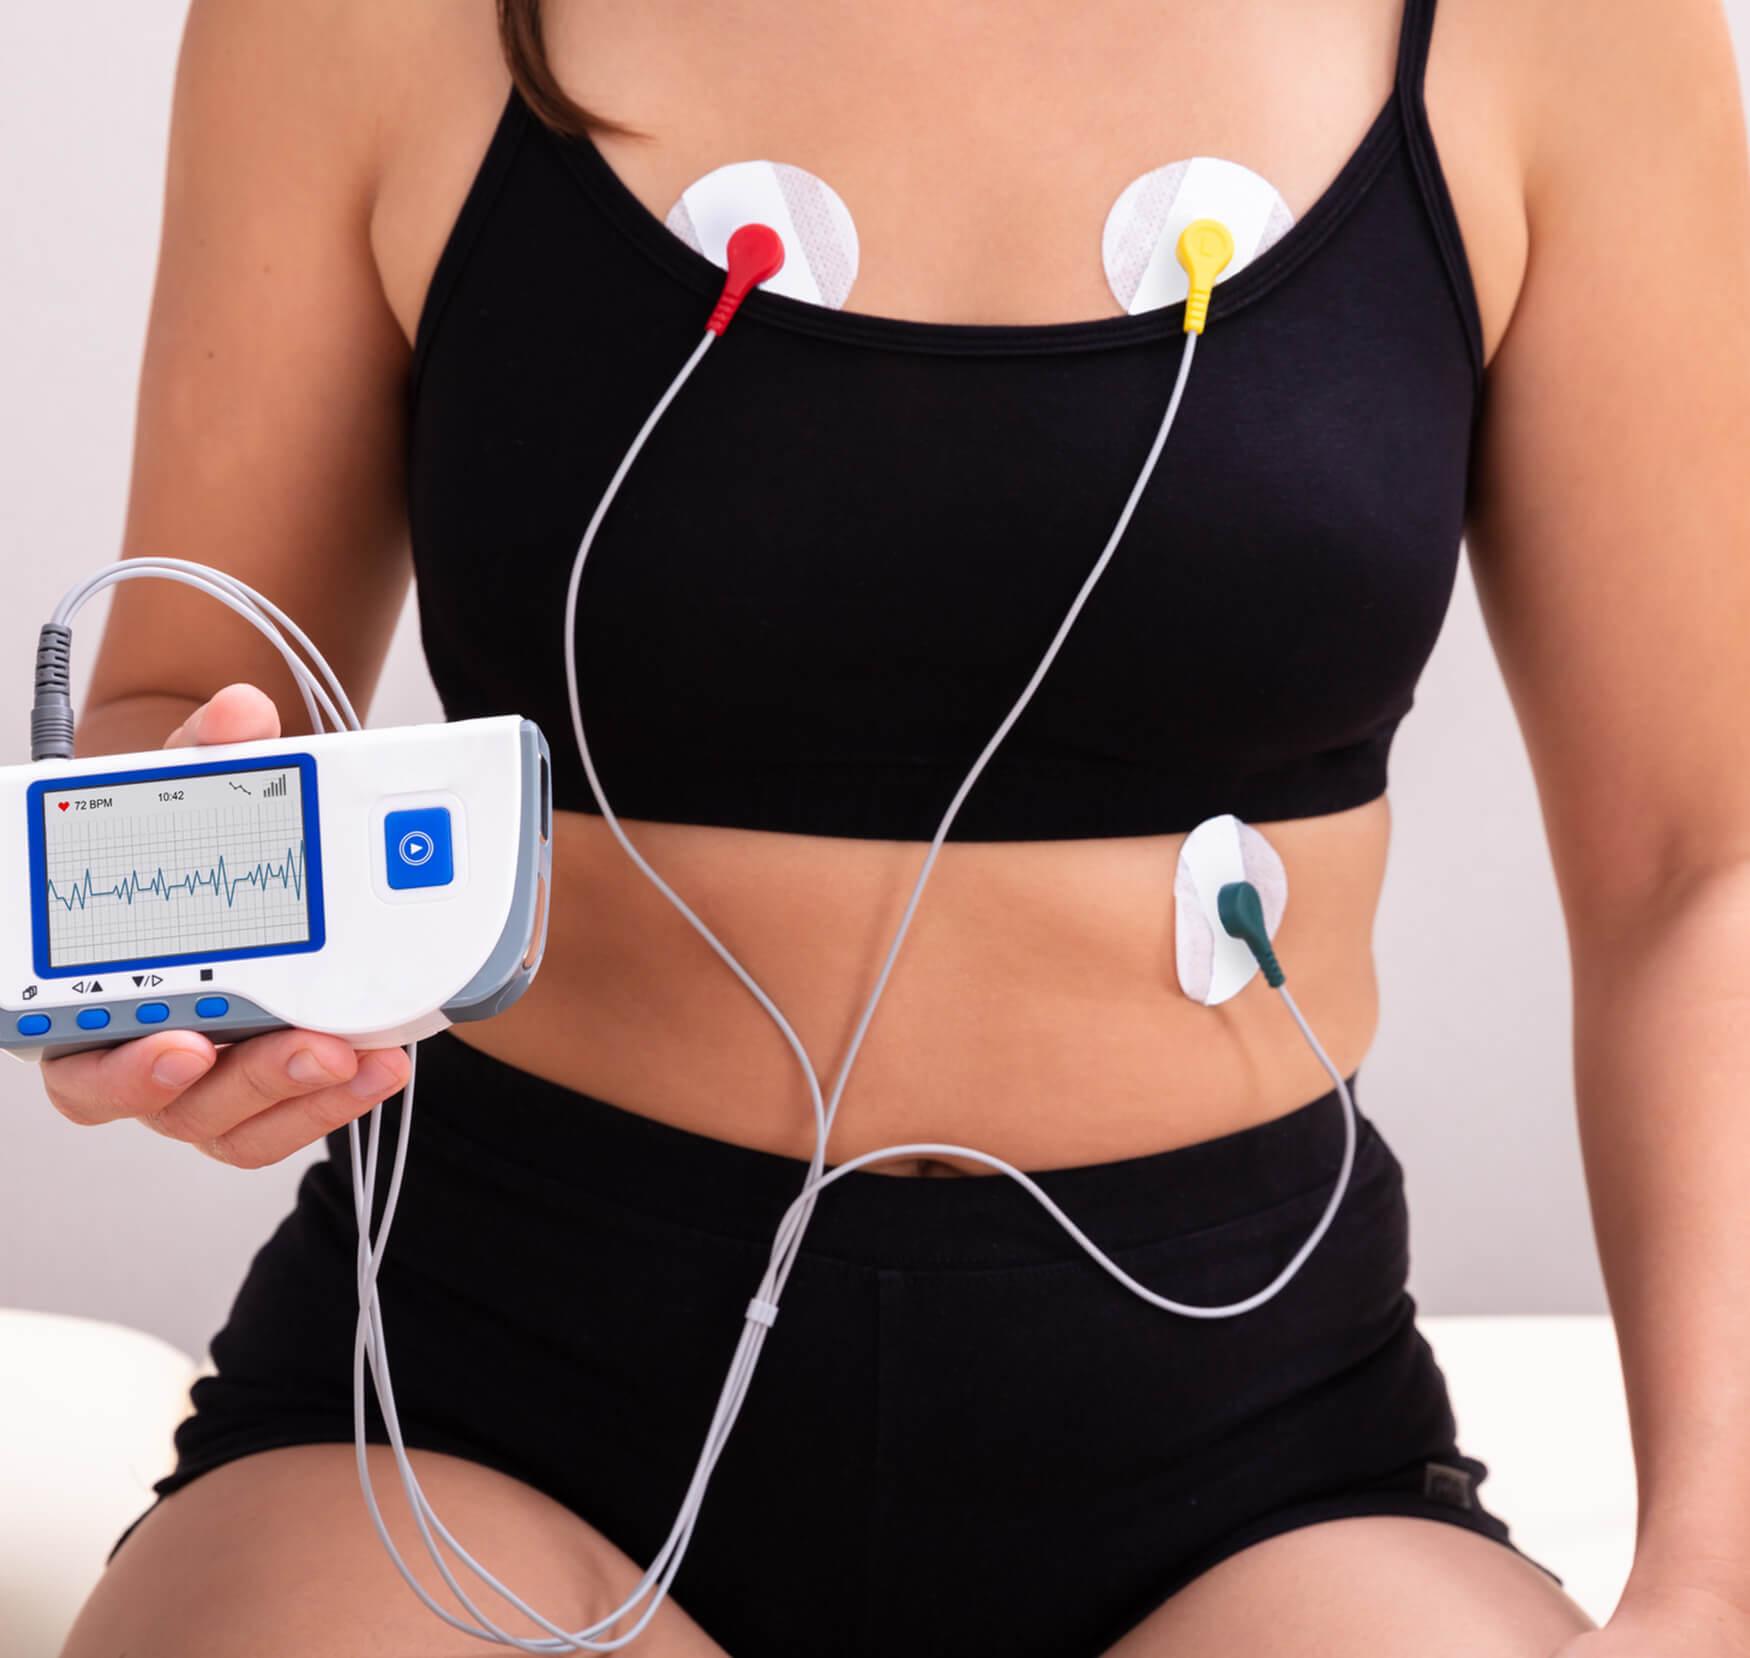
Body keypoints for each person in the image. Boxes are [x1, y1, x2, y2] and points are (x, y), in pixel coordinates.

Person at [47, 0, 1750, 1652]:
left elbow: (1702, 865)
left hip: (1252, 1446)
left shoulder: (1560, 26)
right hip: (475, 1409)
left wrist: (1715, 1588)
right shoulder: (353, 18)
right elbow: (185, 696)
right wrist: (169, 977)